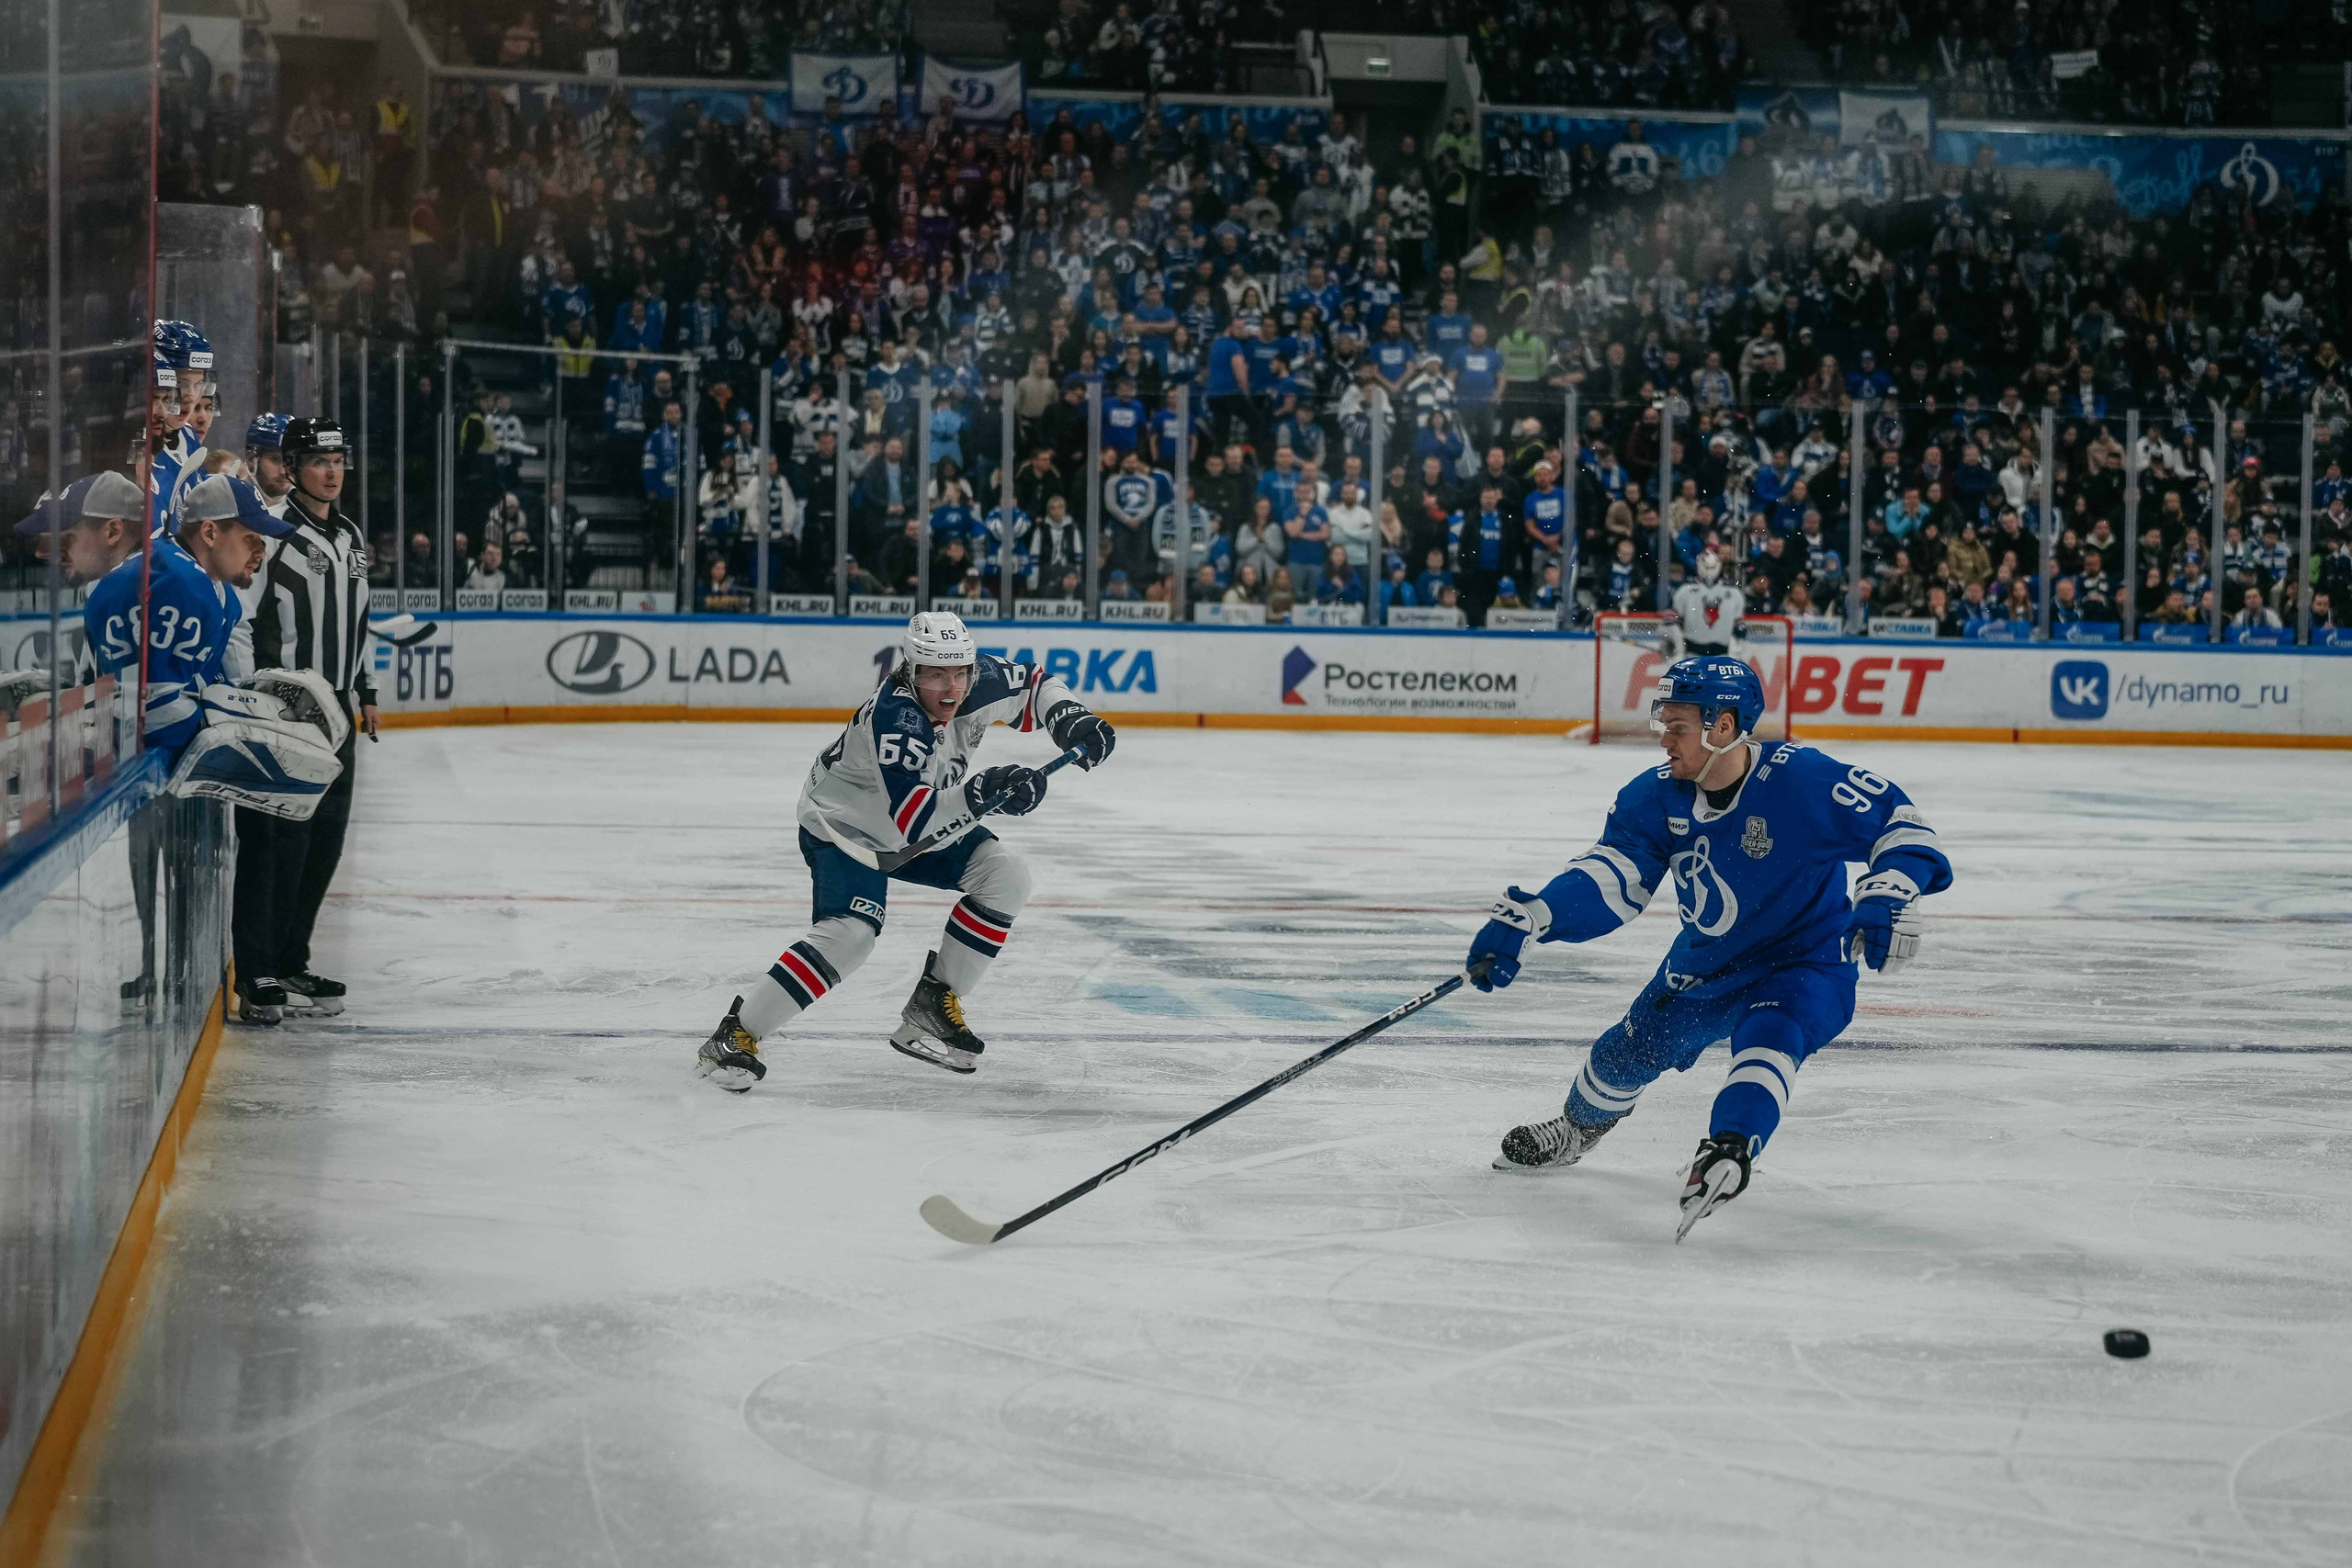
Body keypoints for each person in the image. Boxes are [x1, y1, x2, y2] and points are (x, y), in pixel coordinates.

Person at [1464, 656, 1953, 1238]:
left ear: (1723, 727)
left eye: (1678, 726)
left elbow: (1902, 825)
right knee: (1621, 1057)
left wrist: (1887, 887)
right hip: (1704, 968)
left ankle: (1729, 1146)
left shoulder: (1802, 781)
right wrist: (1534, 915)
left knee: (1772, 1038)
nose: (1664, 740)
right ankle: (1577, 1128)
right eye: (1663, 723)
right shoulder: (1654, 797)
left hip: (1805, 962)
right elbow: (1613, 882)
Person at [695, 611, 1119, 1086]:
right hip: (846, 828)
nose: (951, 688)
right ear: (911, 671)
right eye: (935, 674)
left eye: (959, 672)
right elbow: (915, 821)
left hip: (919, 812)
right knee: (851, 936)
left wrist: (1069, 715)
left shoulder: (981, 678)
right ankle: (737, 1033)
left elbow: (1036, 685)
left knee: (1006, 876)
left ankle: (933, 1002)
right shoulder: (898, 718)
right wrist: (985, 791)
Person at [236, 418, 379, 1024]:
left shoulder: (348, 534)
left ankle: (291, 956)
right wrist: (253, 696)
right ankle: (256, 970)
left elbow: (361, 618)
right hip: (285, 714)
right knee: (273, 844)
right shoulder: (272, 534)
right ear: (292, 468)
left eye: (339, 459)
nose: (332, 470)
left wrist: (365, 689)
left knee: (324, 842)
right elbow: (243, 620)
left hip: (339, 715)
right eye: (320, 460)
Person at [1669, 547, 1746, 657]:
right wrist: (1674, 641)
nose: (1709, 570)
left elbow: (1739, 625)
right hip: (1691, 652)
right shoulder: (1685, 590)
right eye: (1706, 566)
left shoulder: (1733, 593)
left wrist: (1740, 644)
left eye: (1712, 567)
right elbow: (1673, 622)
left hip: (1722, 653)